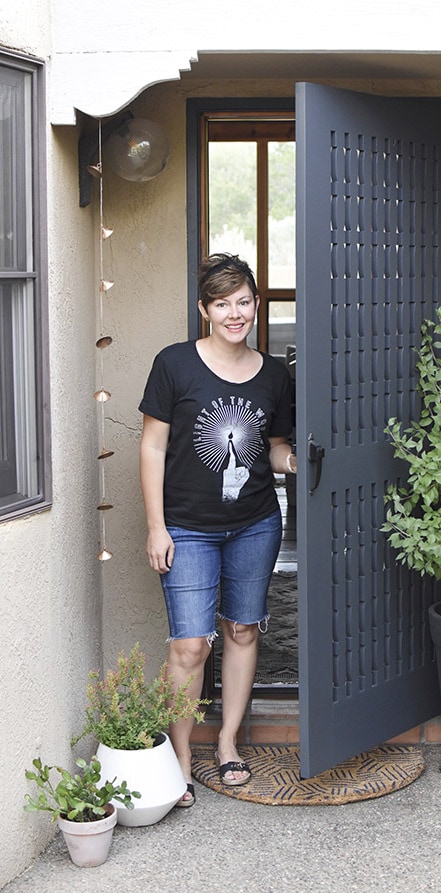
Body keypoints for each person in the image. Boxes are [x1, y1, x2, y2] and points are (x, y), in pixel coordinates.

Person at [139, 253, 296, 807]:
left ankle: (228, 742)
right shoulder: (175, 364)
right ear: (205, 310)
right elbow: (153, 446)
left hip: (254, 523)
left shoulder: (276, 374)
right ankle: (180, 757)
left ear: (256, 304)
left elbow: (273, 447)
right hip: (187, 528)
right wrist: (157, 528)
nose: (236, 313)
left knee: (243, 631)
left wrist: (295, 462)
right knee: (188, 646)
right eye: (223, 304)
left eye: (245, 302)